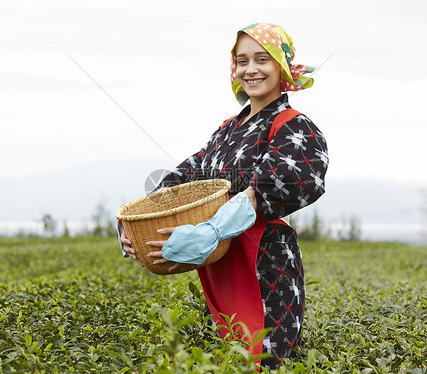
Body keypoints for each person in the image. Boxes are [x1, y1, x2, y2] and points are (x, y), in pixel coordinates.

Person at [119, 22, 328, 370]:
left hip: (265, 265)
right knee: (219, 357)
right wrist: (132, 226)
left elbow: (285, 181)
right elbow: (188, 175)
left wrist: (215, 229)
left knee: (261, 360)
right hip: (218, 264)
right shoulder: (228, 129)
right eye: (242, 60)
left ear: (280, 64)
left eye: (262, 59)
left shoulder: (295, 126)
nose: (251, 69)